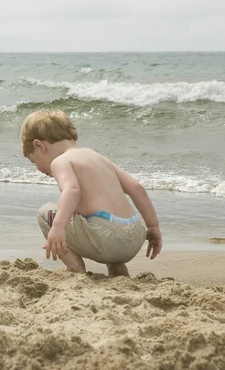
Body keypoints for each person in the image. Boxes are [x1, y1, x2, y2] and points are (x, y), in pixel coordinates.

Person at [20, 109, 162, 276]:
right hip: (135, 237)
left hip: (107, 238)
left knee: (46, 213)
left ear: (39, 146)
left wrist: (58, 227)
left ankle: (75, 269)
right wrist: (153, 227)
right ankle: (117, 268)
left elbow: (72, 190)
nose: (37, 168)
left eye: (33, 160)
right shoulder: (97, 157)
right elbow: (137, 188)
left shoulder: (60, 161)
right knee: (96, 213)